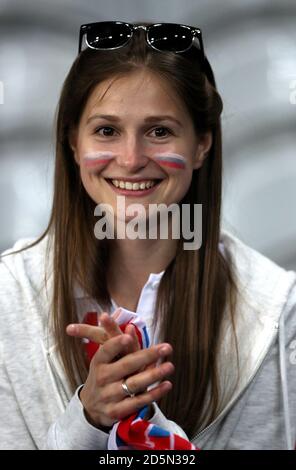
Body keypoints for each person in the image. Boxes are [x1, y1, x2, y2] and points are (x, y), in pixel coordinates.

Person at [0, 21, 295, 451]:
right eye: (107, 131)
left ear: (202, 145)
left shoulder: (280, 313)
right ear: (72, 142)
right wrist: (89, 421)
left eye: (160, 131)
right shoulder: (7, 297)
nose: (132, 159)